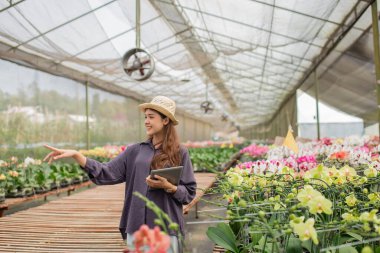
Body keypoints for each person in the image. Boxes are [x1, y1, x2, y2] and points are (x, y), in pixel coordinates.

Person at [43, 96, 197, 253]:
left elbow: (189, 192)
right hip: (138, 227)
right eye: (145, 117)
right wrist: (78, 156)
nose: (146, 121)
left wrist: (170, 187)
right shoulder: (135, 151)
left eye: (151, 117)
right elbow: (106, 172)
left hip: (165, 228)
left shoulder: (180, 152)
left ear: (165, 121)